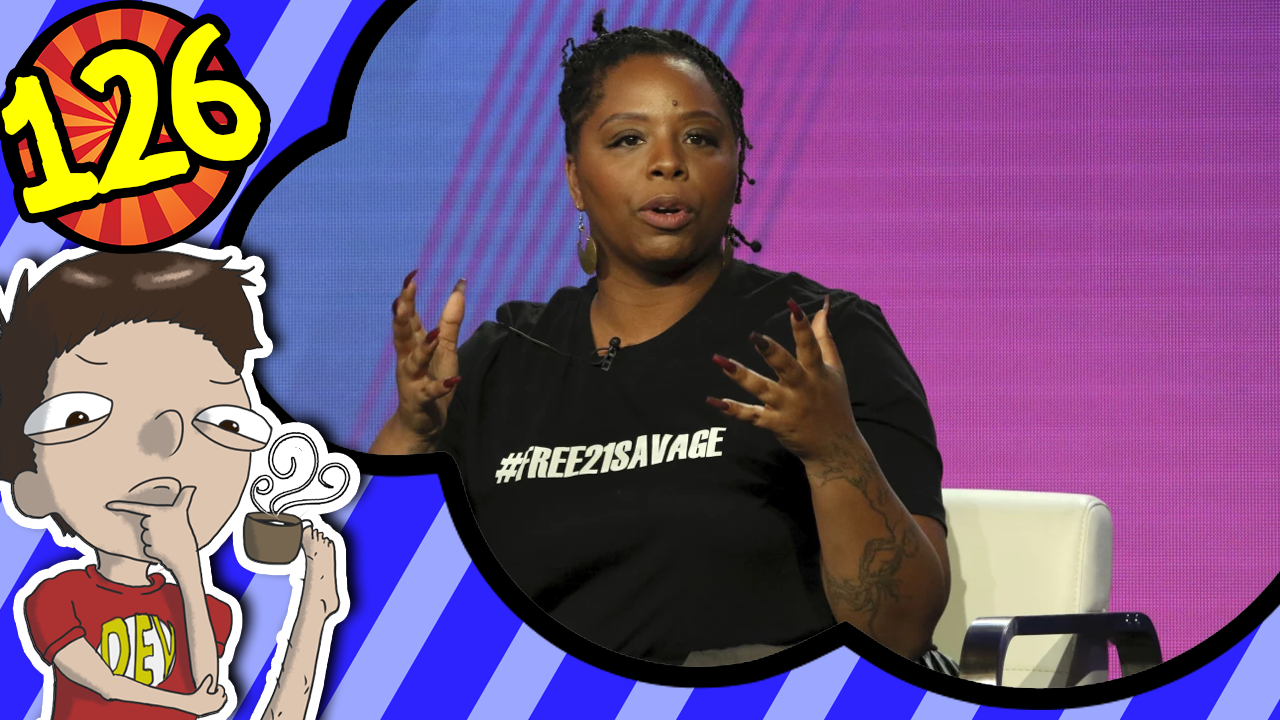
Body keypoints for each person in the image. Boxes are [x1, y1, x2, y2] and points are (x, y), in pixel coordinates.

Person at [372, 11, 956, 672]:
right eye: (627, 139)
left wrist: (832, 450)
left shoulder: (821, 338)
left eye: (701, 138)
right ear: (574, 179)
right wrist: (413, 432)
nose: (668, 164)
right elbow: (366, 597)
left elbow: (897, 636)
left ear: (737, 165)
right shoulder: (500, 358)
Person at [0, 249, 344, 718]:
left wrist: (188, 566)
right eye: (82, 416)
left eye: (220, 421)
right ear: (31, 487)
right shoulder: (58, 597)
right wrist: (181, 701)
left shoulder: (211, 610)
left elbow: (209, 691)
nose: (169, 435)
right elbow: (105, 685)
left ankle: (319, 606)